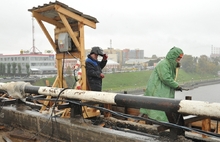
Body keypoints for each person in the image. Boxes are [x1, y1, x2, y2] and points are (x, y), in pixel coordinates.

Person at [139, 46, 184, 122]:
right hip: (158, 90)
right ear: (173, 55)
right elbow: (165, 78)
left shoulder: (170, 64)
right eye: (178, 57)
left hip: (163, 90)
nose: (180, 59)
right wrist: (176, 86)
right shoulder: (163, 64)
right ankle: (160, 125)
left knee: (160, 110)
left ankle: (160, 123)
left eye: (181, 57)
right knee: (158, 110)